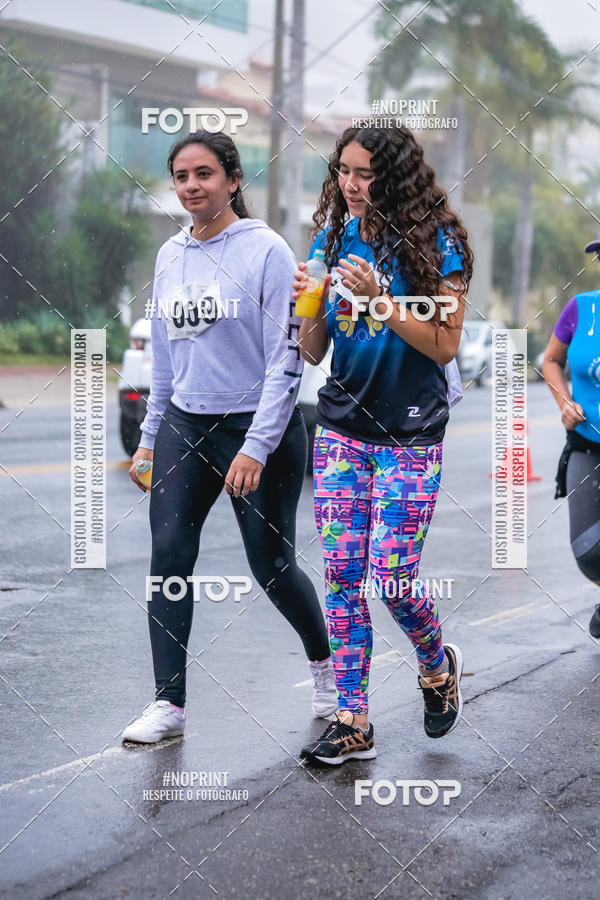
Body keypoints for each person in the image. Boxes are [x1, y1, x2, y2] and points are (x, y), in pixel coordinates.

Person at [122, 131, 336, 743]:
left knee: (272, 568)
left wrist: (256, 445)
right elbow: (165, 359)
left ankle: (327, 670)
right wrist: (148, 437)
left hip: (256, 428)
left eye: (204, 174)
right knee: (168, 559)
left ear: (233, 180)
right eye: (182, 176)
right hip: (186, 425)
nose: (192, 186)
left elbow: (287, 359)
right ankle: (169, 706)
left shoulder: (265, 250)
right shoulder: (170, 256)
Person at [293, 125, 474, 766]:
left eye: (364, 173)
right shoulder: (333, 237)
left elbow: (445, 342)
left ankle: (435, 665)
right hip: (342, 428)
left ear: (394, 176)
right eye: (342, 170)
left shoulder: (438, 242)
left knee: (393, 581)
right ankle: (353, 721)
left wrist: (382, 298)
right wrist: (308, 306)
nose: (350, 184)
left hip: (412, 434)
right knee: (342, 579)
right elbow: (314, 349)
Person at [543, 232, 600, 640]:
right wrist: (564, 402)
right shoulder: (581, 309)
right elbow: (550, 360)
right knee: (588, 550)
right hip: (586, 443)